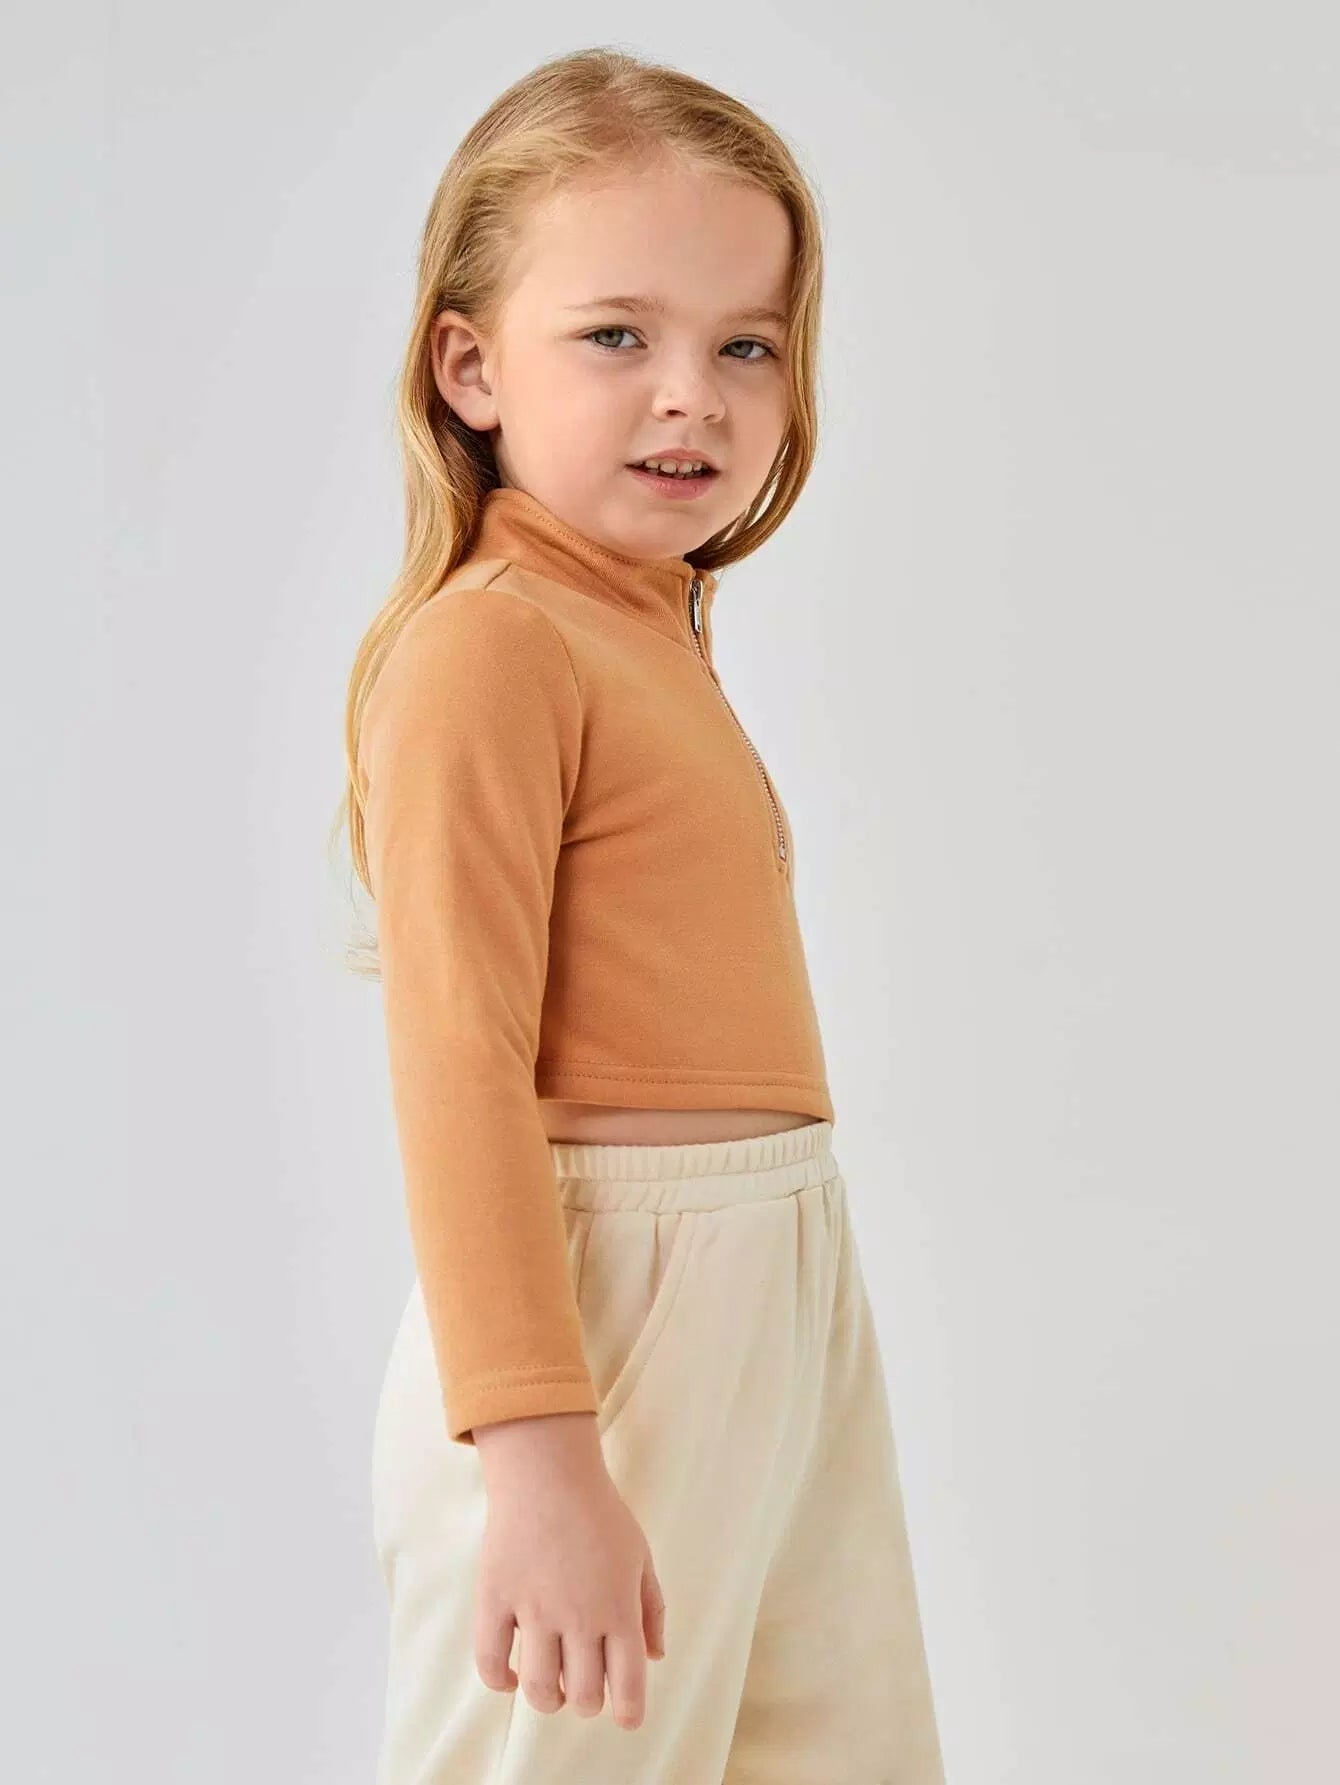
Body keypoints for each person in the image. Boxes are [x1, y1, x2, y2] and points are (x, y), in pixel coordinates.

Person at [340, 44, 947, 1785]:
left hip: (780, 1270)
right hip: (604, 1309)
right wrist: (539, 1457)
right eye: (618, 335)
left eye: (747, 344)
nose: (695, 396)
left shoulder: (643, 624)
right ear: (470, 366)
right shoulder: (490, 646)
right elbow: (457, 1069)